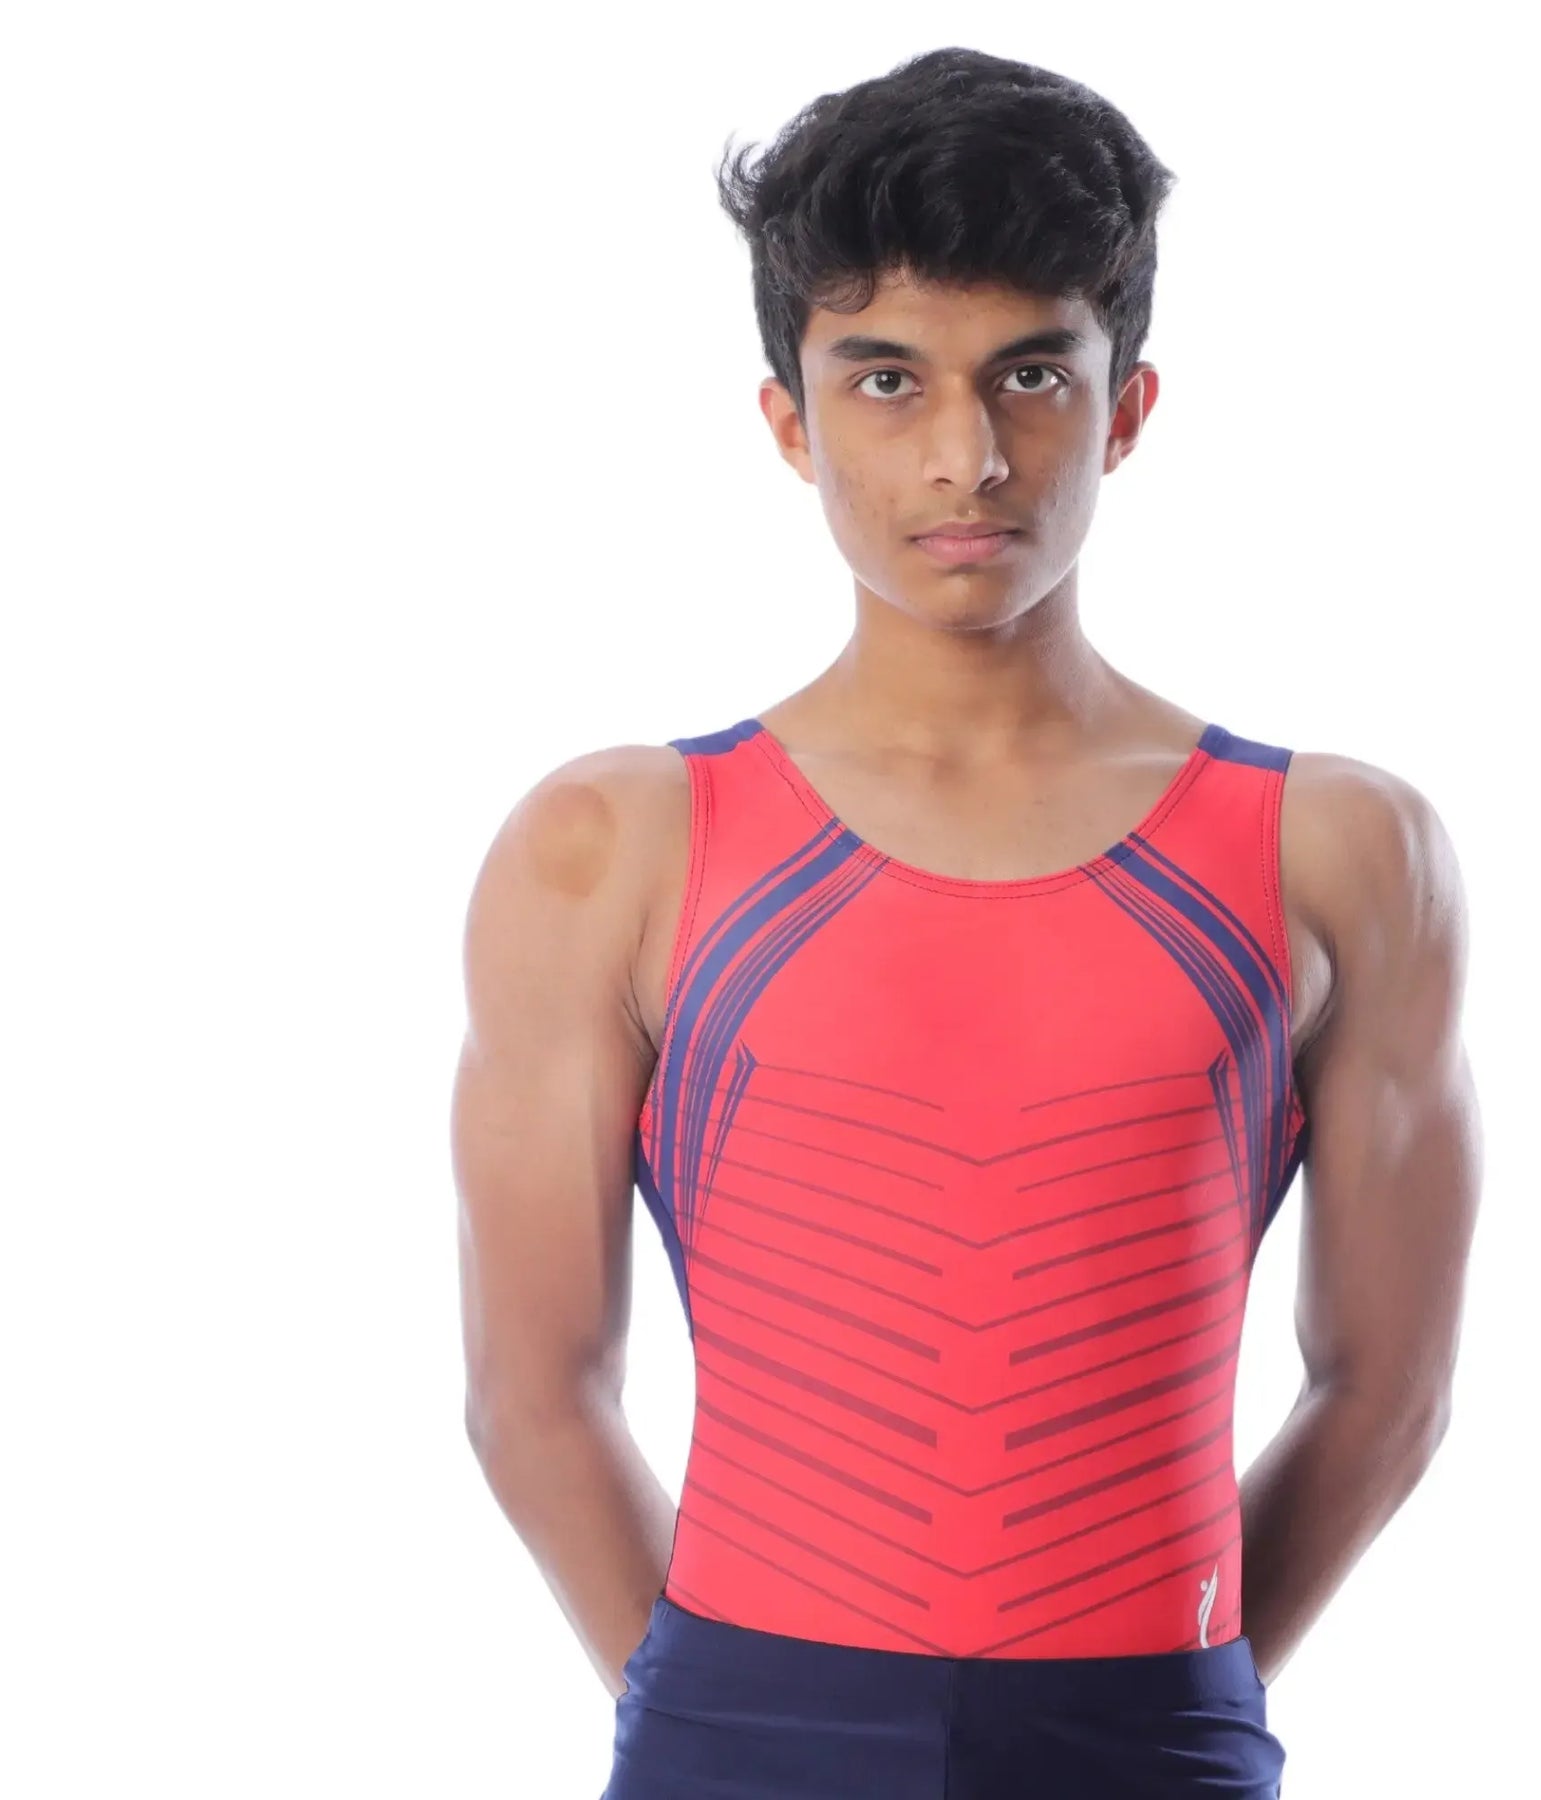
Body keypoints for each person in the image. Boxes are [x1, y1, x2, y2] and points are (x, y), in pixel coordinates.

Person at [453, 45, 1482, 1800]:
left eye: (1030, 375)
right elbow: (533, 1393)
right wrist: (718, 1715)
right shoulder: (613, 847)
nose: (968, 456)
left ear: (1125, 408)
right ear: (789, 421)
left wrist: (1177, 1696)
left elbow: (1385, 1390)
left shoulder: (1338, 852)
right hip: (738, 1736)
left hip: (1151, 1735)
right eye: (886, 379)